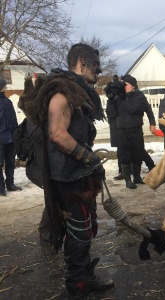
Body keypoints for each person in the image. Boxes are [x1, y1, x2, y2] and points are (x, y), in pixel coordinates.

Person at [19, 43, 113, 298]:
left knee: (87, 228)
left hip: (78, 174)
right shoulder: (61, 93)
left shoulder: (76, 91)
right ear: (81, 61)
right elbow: (58, 135)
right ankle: (77, 284)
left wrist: (90, 164)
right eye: (95, 64)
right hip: (68, 178)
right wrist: (88, 157)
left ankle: (84, 275)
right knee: (80, 232)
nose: (99, 69)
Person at [116, 75, 156, 188]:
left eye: (126, 84)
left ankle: (137, 177)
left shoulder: (139, 96)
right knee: (125, 155)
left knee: (138, 152)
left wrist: (152, 123)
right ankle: (128, 180)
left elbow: (133, 109)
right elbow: (112, 112)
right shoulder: (120, 96)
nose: (124, 86)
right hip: (123, 130)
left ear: (133, 86)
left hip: (136, 129)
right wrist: (114, 99)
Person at [0, 78, 21, 196]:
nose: (6, 87)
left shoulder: (8, 102)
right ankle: (1, 187)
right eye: (4, 85)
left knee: (10, 161)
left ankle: (10, 184)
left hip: (10, 137)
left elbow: (13, 119)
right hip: (1, 138)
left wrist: (16, 132)